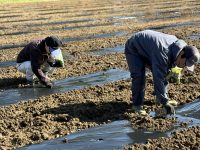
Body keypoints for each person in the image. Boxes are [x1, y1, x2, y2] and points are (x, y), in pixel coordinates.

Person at [125, 30, 200, 116]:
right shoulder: (164, 53)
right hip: (134, 47)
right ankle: (136, 105)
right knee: (139, 76)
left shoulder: (180, 49)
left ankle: (160, 98)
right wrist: (165, 102)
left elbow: (166, 72)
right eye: (185, 63)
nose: (184, 66)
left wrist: (173, 70)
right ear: (182, 54)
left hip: (151, 49)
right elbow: (159, 77)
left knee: (165, 72)